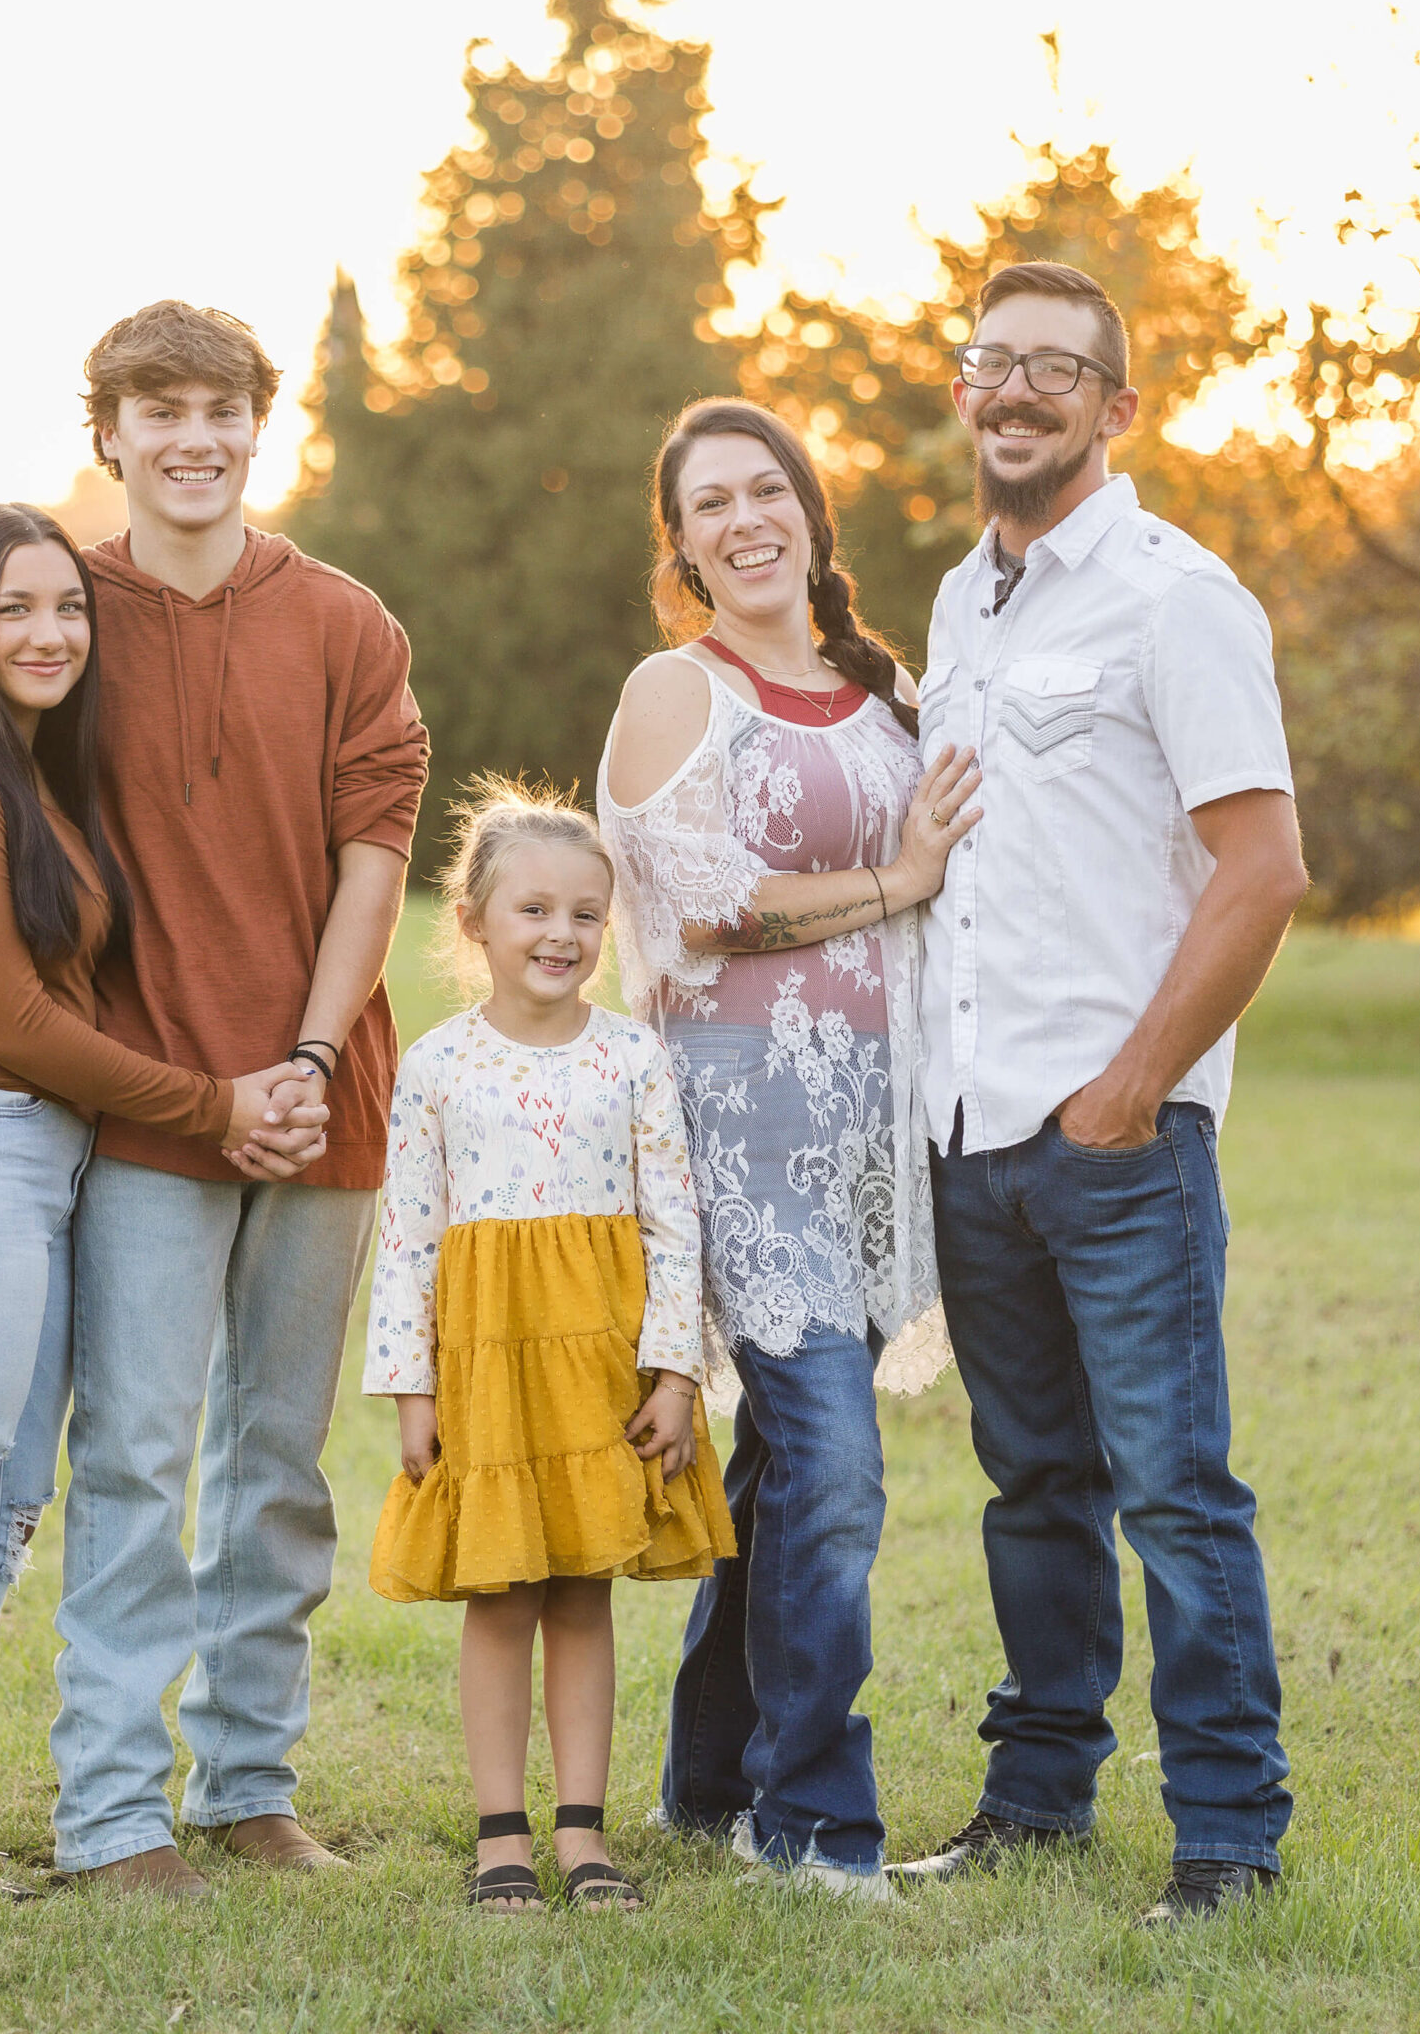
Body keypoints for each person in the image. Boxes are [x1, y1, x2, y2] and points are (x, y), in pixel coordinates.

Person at [0, 302, 428, 1896]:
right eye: (156, 411)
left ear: (262, 425)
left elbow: (375, 858)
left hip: (322, 1107)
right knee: (133, 1458)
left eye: (220, 409)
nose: (192, 438)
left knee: (282, 1468)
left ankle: (251, 1782)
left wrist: (308, 1063)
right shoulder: (63, 612)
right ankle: (114, 1811)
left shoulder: (347, 623)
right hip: (143, 1115)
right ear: (107, 434)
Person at [0, 503, 327, 1897]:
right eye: (15, 612)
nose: (50, 635)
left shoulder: (16, 769)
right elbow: (22, 1025)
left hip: (14, 1158)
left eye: (69, 610)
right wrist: (215, 1102)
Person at [891, 261, 1310, 1925]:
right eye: (991, 363)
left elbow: (1263, 866)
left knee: (1176, 1490)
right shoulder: (956, 603)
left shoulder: (1173, 593)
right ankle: (1038, 1797)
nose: (1015, 391)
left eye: (1056, 370)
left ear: (1117, 409)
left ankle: (1228, 1837)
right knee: (1034, 1488)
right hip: (973, 1134)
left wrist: (1134, 1087)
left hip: (1117, 1141)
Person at [598, 399, 982, 1899]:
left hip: (877, 1132)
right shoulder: (675, 689)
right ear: (684, 546)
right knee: (831, 1464)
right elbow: (703, 902)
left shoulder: (882, 688)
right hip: (740, 1128)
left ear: (814, 517)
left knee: (778, 1468)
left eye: (769, 490)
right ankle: (814, 1823)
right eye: (711, 505)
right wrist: (896, 878)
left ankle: (707, 1783)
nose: (746, 520)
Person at [363, 780, 736, 1915]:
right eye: (532, 909)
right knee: (502, 1590)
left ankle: (583, 1830)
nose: (560, 934)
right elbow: (408, 1233)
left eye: (584, 913)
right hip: (486, 1361)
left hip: (599, 1364)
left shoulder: (631, 1057)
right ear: (473, 920)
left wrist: (674, 1372)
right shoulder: (435, 1064)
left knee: (581, 1589)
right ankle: (501, 1833)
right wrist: (410, 1389)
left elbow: (676, 1222)